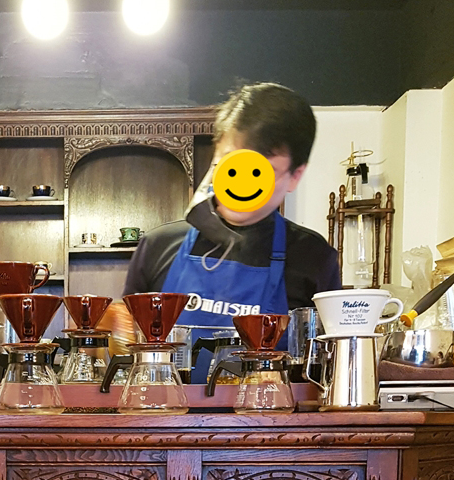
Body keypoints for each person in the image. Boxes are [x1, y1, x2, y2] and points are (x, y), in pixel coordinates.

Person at [121, 82, 341, 380]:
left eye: (260, 172)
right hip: (169, 410)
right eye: (231, 164)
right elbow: (128, 352)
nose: (243, 183)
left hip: (269, 411)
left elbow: (325, 371)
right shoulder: (158, 246)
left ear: (294, 176)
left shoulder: (314, 257)